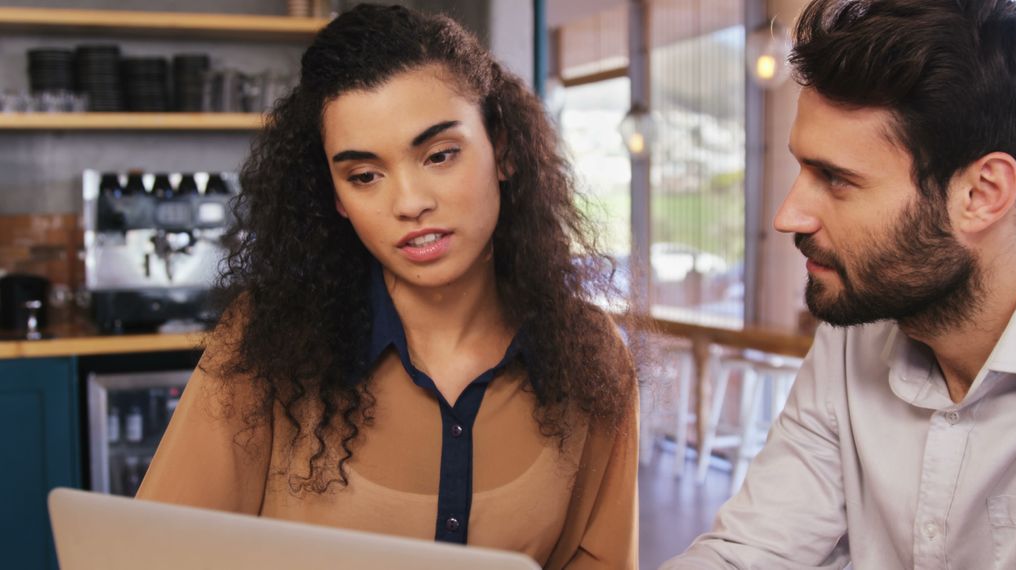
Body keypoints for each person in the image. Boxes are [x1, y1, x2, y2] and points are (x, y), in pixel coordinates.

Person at [136, 4, 639, 569]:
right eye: (364, 176)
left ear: (503, 149)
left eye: (440, 155)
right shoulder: (264, 347)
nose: (409, 203)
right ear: (335, 197)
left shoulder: (592, 357)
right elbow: (162, 556)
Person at [663, 0, 1016, 568]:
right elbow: (752, 553)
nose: (787, 216)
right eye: (803, 170)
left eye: (836, 179)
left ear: (981, 194)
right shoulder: (853, 332)